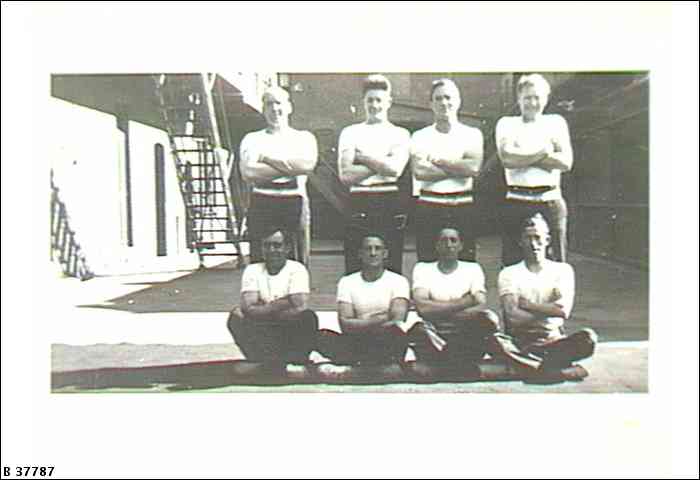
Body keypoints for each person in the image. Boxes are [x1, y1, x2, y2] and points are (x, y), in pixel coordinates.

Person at [496, 214, 597, 381]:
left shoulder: (562, 271)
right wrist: (549, 310)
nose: (533, 243)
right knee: (495, 340)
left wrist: (528, 305)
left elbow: (563, 311)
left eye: (538, 237)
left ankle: (528, 366)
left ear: (547, 240)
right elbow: (513, 317)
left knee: (588, 338)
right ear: (520, 241)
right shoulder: (509, 273)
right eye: (528, 238)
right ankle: (554, 370)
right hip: (521, 342)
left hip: (553, 340)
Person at [496, 73, 572, 266]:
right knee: (512, 262)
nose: (532, 103)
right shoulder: (507, 124)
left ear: (546, 99)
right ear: (519, 98)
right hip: (516, 201)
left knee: (556, 263)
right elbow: (507, 159)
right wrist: (544, 152)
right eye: (527, 97)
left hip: (550, 201)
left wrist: (523, 157)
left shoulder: (556, 123)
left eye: (537, 97)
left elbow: (565, 162)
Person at [338, 74, 411, 274]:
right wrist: (383, 161)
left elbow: (395, 170)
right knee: (355, 262)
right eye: (370, 100)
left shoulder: (400, 134)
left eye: (379, 100)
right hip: (358, 199)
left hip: (388, 199)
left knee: (391, 261)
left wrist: (362, 157)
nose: (374, 105)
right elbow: (346, 176)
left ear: (389, 102)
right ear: (363, 102)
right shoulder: (350, 132)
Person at [408, 226, 501, 379]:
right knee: (414, 323)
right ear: (437, 246)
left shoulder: (472, 268)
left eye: (453, 240)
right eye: (444, 240)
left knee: (488, 318)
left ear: (461, 246)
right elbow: (422, 307)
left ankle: (445, 363)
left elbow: (480, 304)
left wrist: (436, 309)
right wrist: (466, 302)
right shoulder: (423, 269)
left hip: (464, 331)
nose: (449, 244)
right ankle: (455, 364)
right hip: (434, 331)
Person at [240, 87, 318, 266]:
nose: (274, 109)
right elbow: (249, 173)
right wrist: (290, 168)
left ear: (289, 107)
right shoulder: (252, 139)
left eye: (278, 103)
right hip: (262, 202)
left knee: (296, 262)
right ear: (263, 109)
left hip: (294, 201)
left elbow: (306, 166)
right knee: (260, 262)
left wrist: (267, 160)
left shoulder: (304, 138)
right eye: (269, 104)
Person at [316, 233, 411, 379]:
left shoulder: (398, 281)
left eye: (377, 248)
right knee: (322, 336)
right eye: (368, 249)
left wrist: (361, 323)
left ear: (385, 254)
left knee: (395, 333)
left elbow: (397, 319)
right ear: (360, 254)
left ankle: (360, 363)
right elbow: (344, 324)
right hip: (358, 340)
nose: (373, 253)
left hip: (384, 339)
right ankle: (373, 364)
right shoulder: (347, 282)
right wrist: (380, 318)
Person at [226, 228, 319, 376]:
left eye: (277, 245)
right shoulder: (252, 270)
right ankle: (262, 360)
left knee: (307, 317)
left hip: (287, 328)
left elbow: (299, 305)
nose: (271, 250)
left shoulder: (297, 269)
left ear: (287, 248)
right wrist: (285, 302)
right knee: (236, 315)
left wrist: (263, 307)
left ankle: (292, 360)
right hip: (263, 328)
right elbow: (247, 307)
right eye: (267, 245)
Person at [411, 79, 484, 262]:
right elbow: (420, 172)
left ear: (458, 101)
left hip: (462, 205)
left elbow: (473, 168)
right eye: (438, 98)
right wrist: (459, 167)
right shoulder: (420, 136)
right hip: (429, 205)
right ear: (431, 104)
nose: (444, 103)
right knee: (427, 261)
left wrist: (440, 162)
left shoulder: (472, 134)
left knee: (465, 262)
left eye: (448, 97)